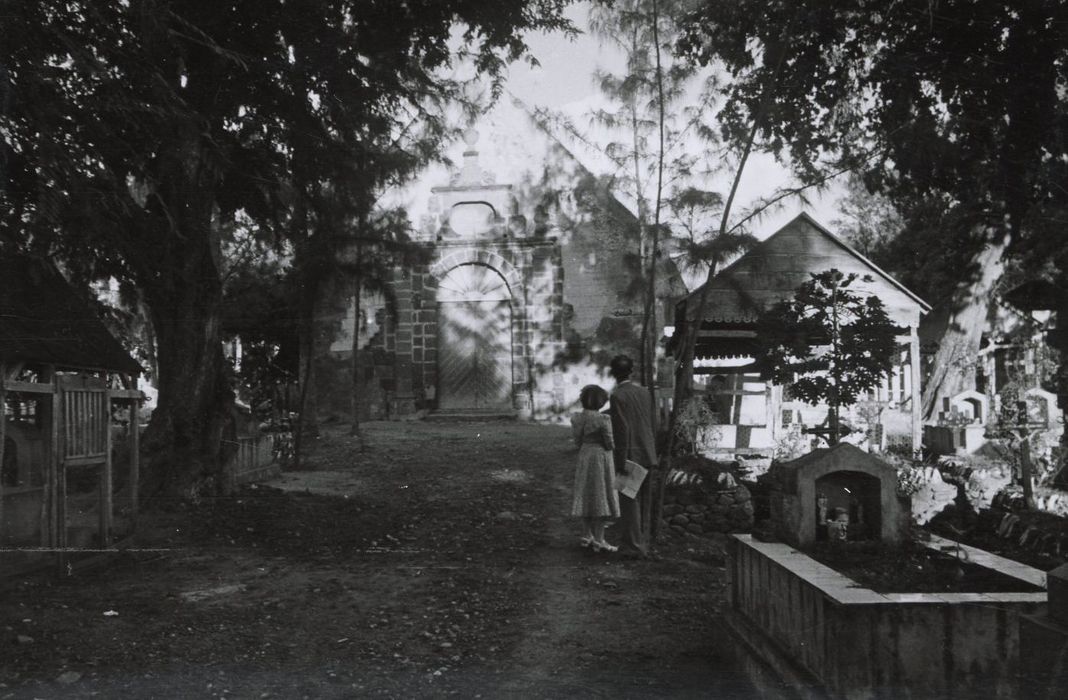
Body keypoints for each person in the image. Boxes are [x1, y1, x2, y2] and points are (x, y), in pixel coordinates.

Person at [608, 355, 658, 557]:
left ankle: (634, 546)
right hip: (648, 451)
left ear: (613, 373)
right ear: (632, 372)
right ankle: (643, 541)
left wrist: (620, 460)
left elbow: (621, 430)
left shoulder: (617, 396)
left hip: (631, 453)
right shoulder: (644, 393)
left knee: (629, 501)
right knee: (645, 499)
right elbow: (652, 422)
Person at [570, 384, 620, 552]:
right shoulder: (603, 419)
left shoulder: (577, 418)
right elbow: (610, 443)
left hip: (584, 455)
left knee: (585, 493)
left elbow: (577, 441)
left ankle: (586, 535)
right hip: (600, 457)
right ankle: (599, 539)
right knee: (601, 494)